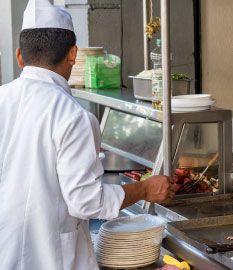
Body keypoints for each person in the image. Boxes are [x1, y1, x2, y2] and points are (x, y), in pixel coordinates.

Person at [0, 0, 175, 269]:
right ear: (73, 55)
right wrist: (143, 189)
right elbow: (87, 203)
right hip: (51, 260)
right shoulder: (73, 116)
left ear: (19, 56)